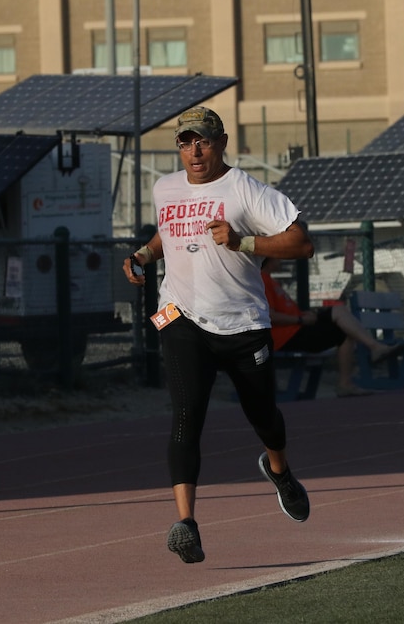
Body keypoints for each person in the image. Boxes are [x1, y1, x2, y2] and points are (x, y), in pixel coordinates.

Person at [122, 106, 315, 564]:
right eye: (186, 142)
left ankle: (279, 470)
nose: (195, 150)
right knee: (186, 416)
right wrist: (143, 256)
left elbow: (301, 243)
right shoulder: (164, 188)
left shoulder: (244, 189)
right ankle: (186, 524)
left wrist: (243, 241)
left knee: (263, 414)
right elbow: (168, 229)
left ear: (222, 142)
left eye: (204, 141)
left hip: (242, 324)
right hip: (181, 317)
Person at [261, 257, 404, 397]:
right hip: (286, 337)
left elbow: (286, 311)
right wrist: (300, 319)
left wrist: (305, 315)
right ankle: (372, 349)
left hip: (298, 327)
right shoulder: (261, 280)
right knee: (340, 318)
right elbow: (270, 316)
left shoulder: (270, 281)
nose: (281, 258)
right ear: (267, 259)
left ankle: (348, 380)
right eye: (276, 255)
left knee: (342, 324)